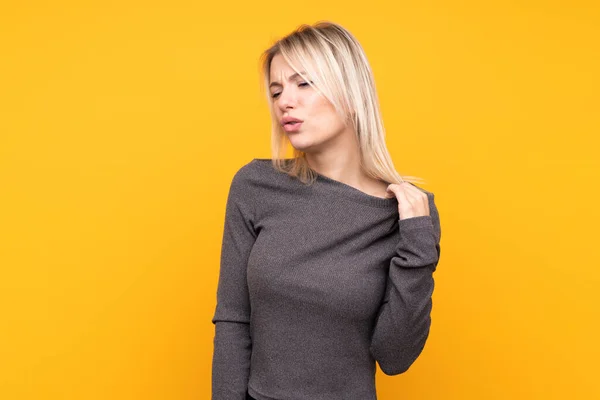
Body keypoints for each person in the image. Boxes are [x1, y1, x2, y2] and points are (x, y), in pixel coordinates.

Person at [211, 21, 442, 400]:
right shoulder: (255, 186)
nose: (285, 101)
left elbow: (395, 357)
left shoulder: (408, 213)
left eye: (304, 83)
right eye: (276, 90)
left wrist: (418, 246)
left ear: (351, 93)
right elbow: (233, 321)